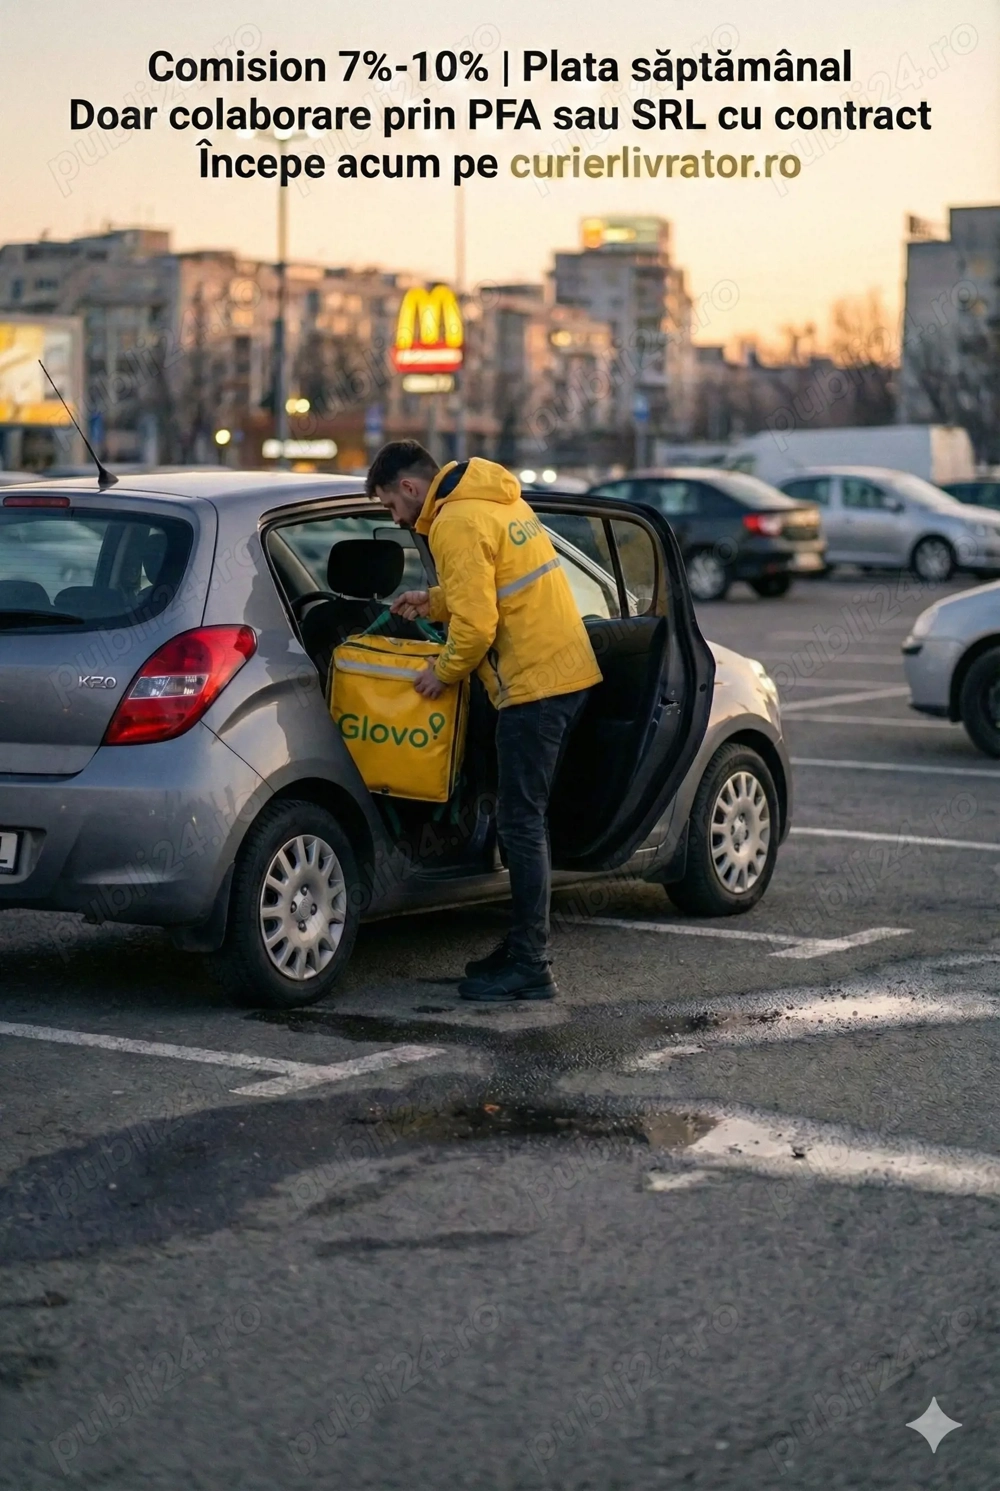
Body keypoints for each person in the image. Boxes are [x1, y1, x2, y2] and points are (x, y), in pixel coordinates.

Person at [366, 441, 602, 1003]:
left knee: (521, 824)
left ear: (408, 487)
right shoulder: (494, 500)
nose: (396, 520)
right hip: (563, 670)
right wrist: (432, 600)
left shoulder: (453, 523)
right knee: (522, 819)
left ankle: (530, 964)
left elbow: (477, 630)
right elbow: (492, 590)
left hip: (533, 684)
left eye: (388, 506)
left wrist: (441, 673)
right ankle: (521, 946)